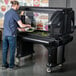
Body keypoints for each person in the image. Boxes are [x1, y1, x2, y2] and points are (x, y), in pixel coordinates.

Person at [2, 1, 31, 70]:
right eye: (18, 6)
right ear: (16, 5)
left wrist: (18, 28)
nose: (19, 7)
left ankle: (4, 65)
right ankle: (11, 66)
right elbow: (21, 25)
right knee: (12, 50)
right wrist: (28, 26)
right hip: (11, 35)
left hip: (5, 34)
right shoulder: (14, 13)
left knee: (4, 50)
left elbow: (10, 23)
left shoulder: (7, 13)